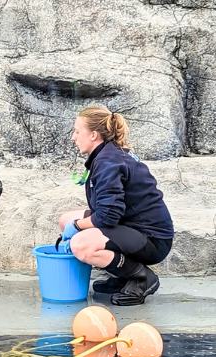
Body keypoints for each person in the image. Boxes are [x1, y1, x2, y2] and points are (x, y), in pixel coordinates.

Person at [56, 105, 174, 306]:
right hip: (129, 225)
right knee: (64, 220)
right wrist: (72, 223)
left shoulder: (108, 162)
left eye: (77, 132)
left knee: (81, 244)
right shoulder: (106, 155)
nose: (73, 138)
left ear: (93, 135)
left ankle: (141, 278)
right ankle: (123, 275)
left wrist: (76, 226)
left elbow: (108, 216)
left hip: (152, 238)